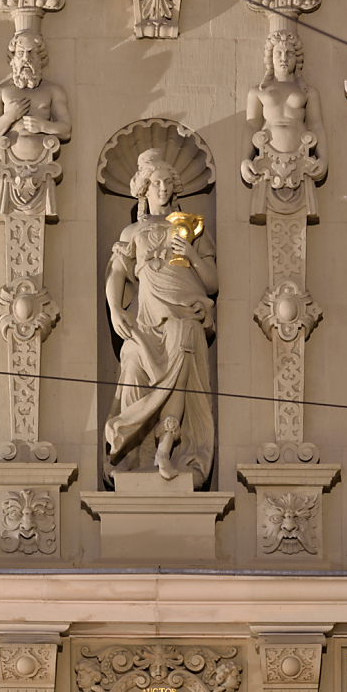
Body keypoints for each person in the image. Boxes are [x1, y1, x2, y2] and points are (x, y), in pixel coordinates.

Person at [104, 148, 217, 484]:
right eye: (156, 183)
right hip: (144, 321)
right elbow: (116, 275)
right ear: (143, 189)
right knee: (134, 367)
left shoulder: (191, 229)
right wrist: (114, 311)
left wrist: (193, 255)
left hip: (183, 315)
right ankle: (126, 453)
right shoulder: (131, 233)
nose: (163, 188)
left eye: (168, 182)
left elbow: (212, 283)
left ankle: (166, 448)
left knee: (180, 363)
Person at [0, 30, 71, 215]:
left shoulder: (53, 91)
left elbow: (65, 130)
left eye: (32, 52)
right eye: (20, 53)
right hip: (11, 167)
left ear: (41, 59)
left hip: (43, 167)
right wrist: (10, 116)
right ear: (12, 58)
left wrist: (44, 126)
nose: (26, 58)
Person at [241, 30, 327, 189]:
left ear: (297, 58)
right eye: (278, 53)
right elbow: (251, 125)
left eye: (290, 54)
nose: (284, 58)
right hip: (266, 160)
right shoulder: (258, 92)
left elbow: (316, 126)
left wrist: (323, 158)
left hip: (301, 160)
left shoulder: (308, 92)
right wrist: (245, 159)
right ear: (270, 58)